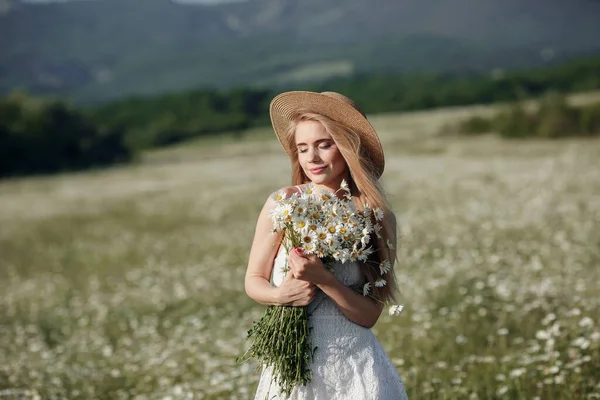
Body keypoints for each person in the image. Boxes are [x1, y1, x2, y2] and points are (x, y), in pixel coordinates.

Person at [244, 91, 408, 399]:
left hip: (355, 368)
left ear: (348, 148)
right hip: (292, 369)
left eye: (324, 144)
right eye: (303, 148)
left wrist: (324, 280)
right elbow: (253, 281)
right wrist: (281, 295)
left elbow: (369, 316)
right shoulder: (284, 203)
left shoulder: (375, 217)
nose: (312, 158)